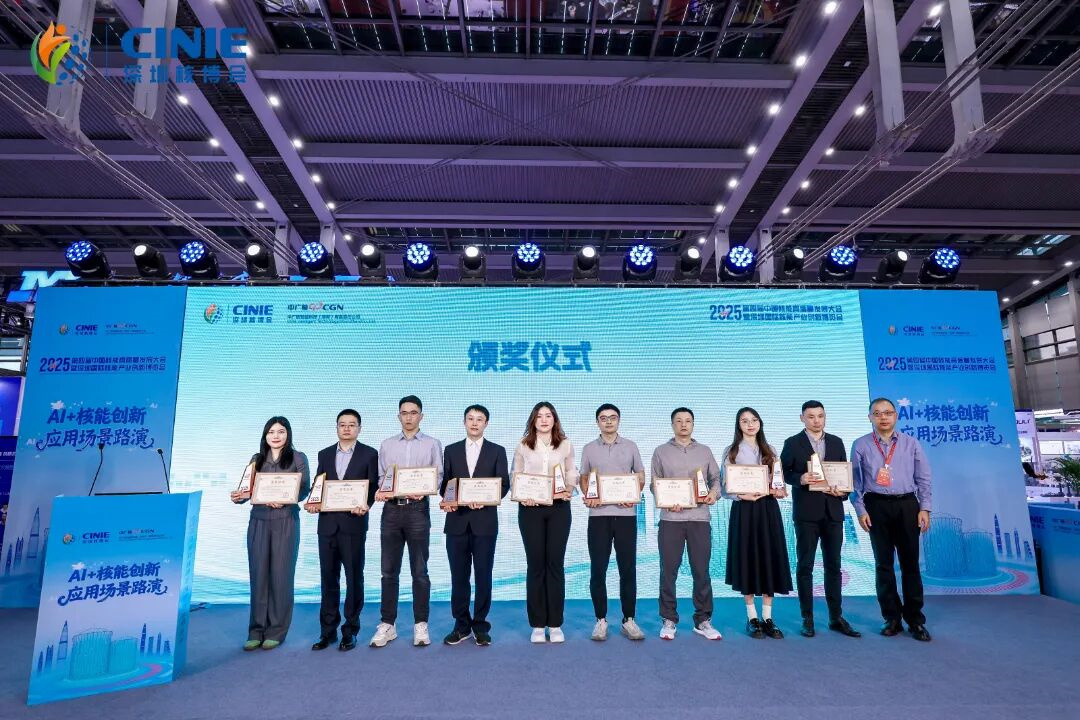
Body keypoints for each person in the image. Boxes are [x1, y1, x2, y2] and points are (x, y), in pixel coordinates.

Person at [851, 397, 933, 642]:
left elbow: (924, 479)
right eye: (877, 413)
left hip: (907, 505)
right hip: (876, 506)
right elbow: (855, 484)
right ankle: (892, 618)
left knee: (910, 565)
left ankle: (915, 620)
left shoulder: (911, 443)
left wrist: (925, 508)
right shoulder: (861, 445)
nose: (883, 417)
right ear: (870, 417)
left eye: (887, 413)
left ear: (896, 416)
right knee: (883, 565)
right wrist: (861, 510)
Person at [779, 401, 861, 639]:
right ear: (802, 418)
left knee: (834, 565)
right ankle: (808, 618)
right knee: (805, 566)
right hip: (806, 513)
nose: (816, 420)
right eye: (811, 416)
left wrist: (843, 493)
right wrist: (800, 478)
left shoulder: (836, 441)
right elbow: (782, 473)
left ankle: (836, 617)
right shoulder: (792, 443)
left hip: (833, 511)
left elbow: (844, 475)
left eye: (820, 416)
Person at [229, 416, 310, 651]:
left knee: (281, 576)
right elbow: (247, 490)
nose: (276, 436)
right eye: (271, 432)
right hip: (259, 520)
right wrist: (239, 497)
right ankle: (256, 630)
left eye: (281, 431)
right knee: (258, 575)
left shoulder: (298, 457)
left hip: (285, 520)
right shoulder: (257, 459)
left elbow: (304, 488)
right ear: (265, 435)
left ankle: (276, 630)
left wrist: (286, 499)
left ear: (288, 434)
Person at [370, 395, 443, 649]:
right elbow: (382, 477)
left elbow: (438, 476)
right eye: (404, 412)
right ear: (398, 416)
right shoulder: (387, 445)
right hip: (391, 511)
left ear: (421, 416)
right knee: (388, 571)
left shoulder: (433, 444)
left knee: (419, 571)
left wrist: (425, 489)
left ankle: (420, 624)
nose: (409, 417)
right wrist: (384, 490)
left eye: (413, 412)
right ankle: (387, 624)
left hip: (418, 510)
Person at [305, 409, 379, 652]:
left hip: (353, 524)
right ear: (336, 427)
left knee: (354, 578)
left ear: (359, 428)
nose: (347, 428)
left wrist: (366, 504)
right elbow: (319, 485)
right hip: (327, 525)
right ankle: (327, 632)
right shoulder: (324, 454)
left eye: (352, 424)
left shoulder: (369, 454)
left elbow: (372, 487)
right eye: (342, 424)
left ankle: (350, 631)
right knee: (328, 579)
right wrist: (313, 502)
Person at [439, 404, 510, 647]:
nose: (474, 423)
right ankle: (461, 626)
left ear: (486, 423)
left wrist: (487, 498)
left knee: (483, 575)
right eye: (470, 418)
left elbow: (504, 484)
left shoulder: (497, 450)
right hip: (456, 522)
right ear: (464, 422)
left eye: (479, 419)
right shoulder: (451, 450)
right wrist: (448, 499)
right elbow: (445, 484)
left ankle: (480, 626)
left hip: (485, 522)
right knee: (458, 577)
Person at [650, 407, 721, 641]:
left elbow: (716, 479)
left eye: (688, 421)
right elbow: (654, 483)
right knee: (668, 571)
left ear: (693, 424)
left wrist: (713, 494)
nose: (683, 424)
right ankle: (668, 619)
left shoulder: (705, 451)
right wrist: (665, 500)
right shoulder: (660, 452)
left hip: (699, 518)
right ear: (672, 425)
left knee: (701, 571)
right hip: (671, 520)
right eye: (679, 421)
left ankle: (703, 620)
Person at [722, 407, 792, 640]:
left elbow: (779, 483)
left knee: (769, 557)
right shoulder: (731, 451)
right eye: (744, 421)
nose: (750, 424)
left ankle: (768, 617)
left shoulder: (770, 450)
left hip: (767, 510)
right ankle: (752, 617)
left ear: (760, 423)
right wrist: (741, 495)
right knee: (747, 558)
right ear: (738, 425)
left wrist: (779, 490)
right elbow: (725, 487)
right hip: (744, 510)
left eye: (754, 420)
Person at [580, 403, 646, 642]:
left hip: (626, 516)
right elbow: (583, 477)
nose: (608, 421)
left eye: (613, 417)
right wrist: (588, 495)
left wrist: (634, 493)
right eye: (603, 418)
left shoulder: (631, 446)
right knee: (598, 569)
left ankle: (629, 620)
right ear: (597, 422)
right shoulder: (589, 448)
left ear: (619, 420)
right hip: (598, 516)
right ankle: (601, 620)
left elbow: (640, 475)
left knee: (627, 568)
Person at [513, 401, 577, 643]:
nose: (543, 420)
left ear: (554, 419)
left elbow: (571, 472)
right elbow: (516, 475)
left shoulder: (565, 444)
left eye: (548, 415)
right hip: (530, 510)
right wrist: (522, 495)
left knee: (555, 564)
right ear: (533, 420)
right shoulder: (523, 445)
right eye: (539, 416)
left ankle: (556, 624)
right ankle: (538, 624)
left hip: (559, 509)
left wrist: (569, 489)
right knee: (536, 565)